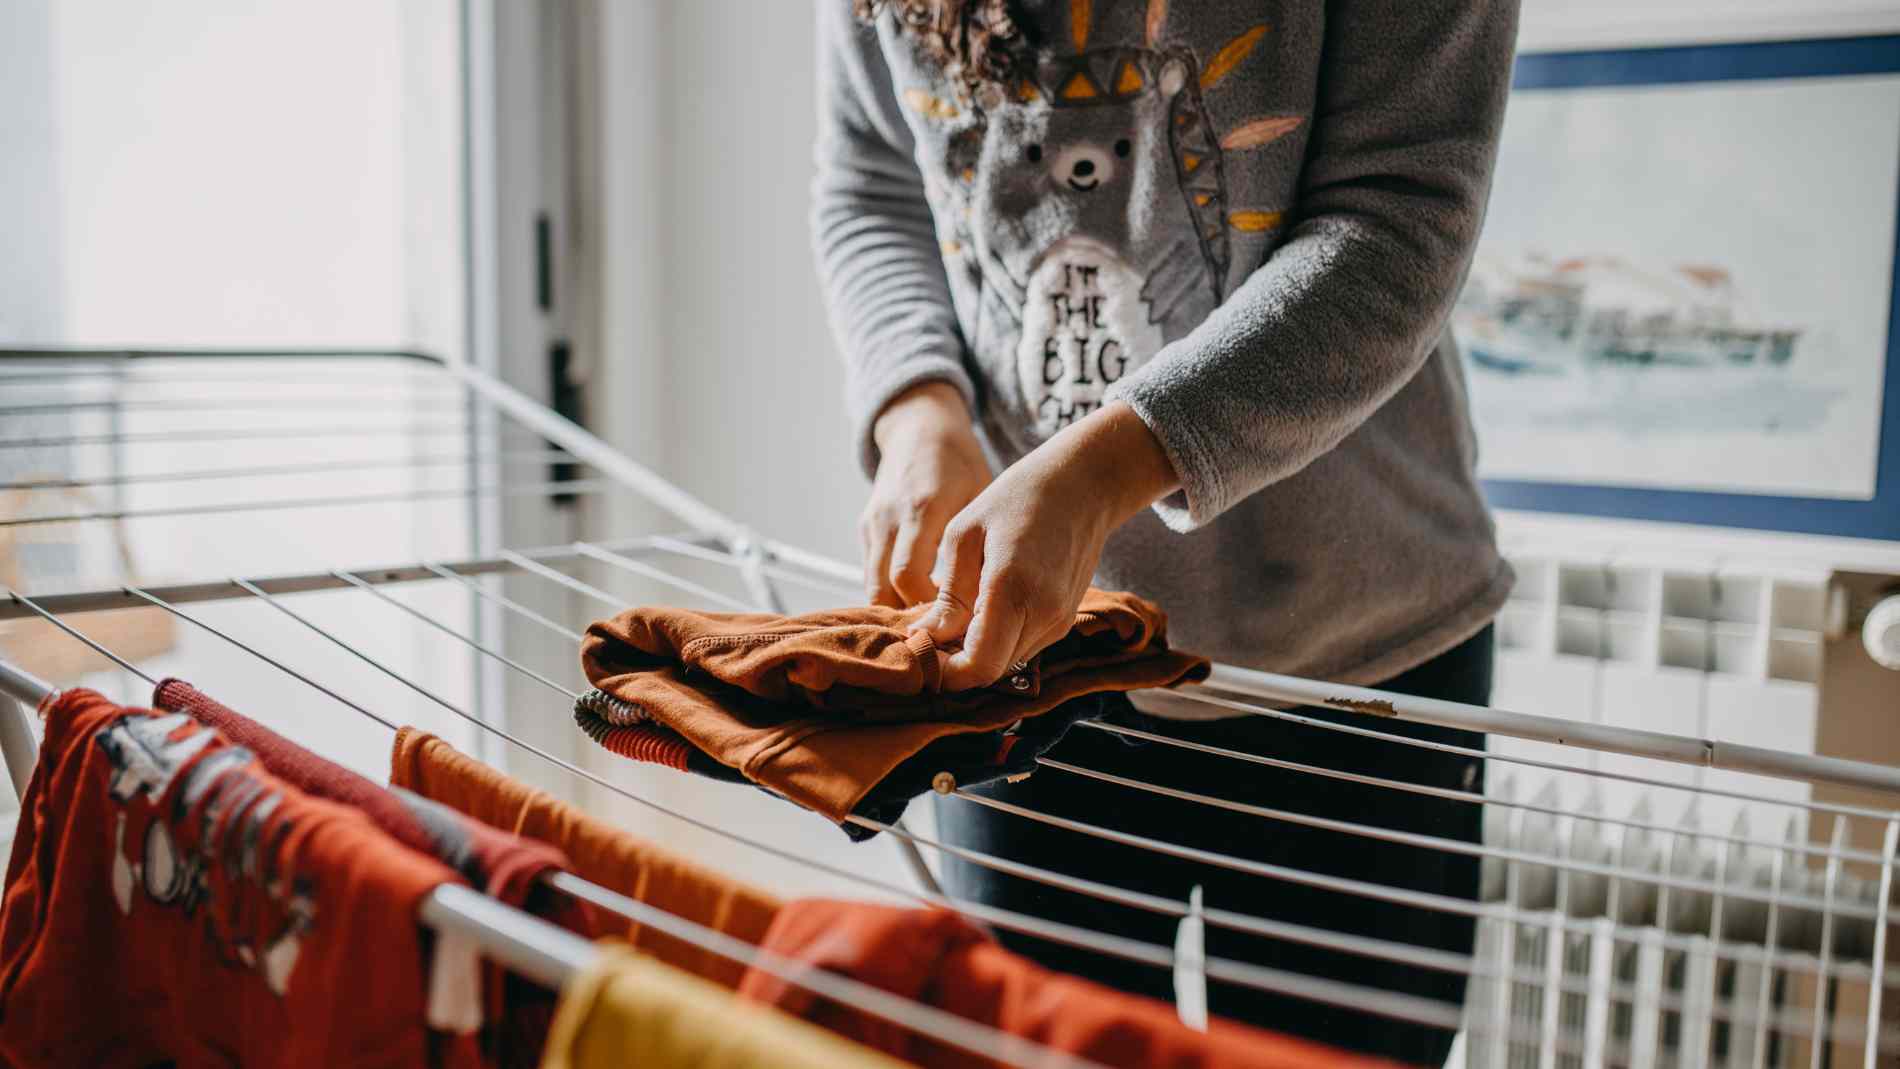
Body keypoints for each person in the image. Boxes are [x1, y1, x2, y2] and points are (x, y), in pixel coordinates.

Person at [812, 1, 1518, 1062]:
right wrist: (917, 410)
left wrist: (1106, 469)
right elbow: (871, 180)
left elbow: (1401, 212)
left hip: (1357, 667)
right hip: (1027, 668)